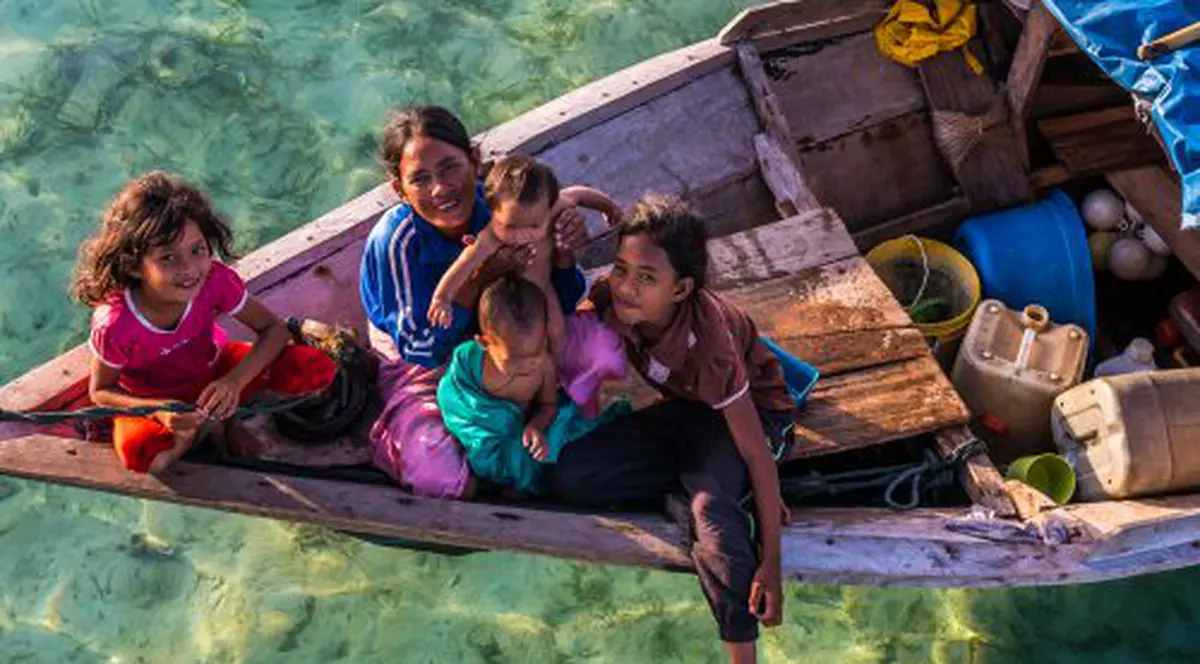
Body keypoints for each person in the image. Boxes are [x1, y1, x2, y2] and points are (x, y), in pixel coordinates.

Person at [549, 195, 795, 664]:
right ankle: (708, 478)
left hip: (757, 420)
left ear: (681, 290)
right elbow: (559, 321)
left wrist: (773, 564)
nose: (625, 287)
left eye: (646, 278)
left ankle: (742, 654)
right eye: (620, 269)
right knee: (571, 476)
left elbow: (757, 453)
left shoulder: (711, 348)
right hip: (688, 412)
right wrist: (565, 228)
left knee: (714, 517)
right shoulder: (613, 300)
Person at [358, 105, 599, 499]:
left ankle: (522, 436)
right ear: (399, 190)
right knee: (434, 472)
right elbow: (422, 350)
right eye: (420, 179)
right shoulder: (397, 242)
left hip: (509, 335)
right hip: (424, 362)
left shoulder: (505, 203)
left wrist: (563, 253)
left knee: (599, 358)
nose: (440, 189)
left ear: (475, 160)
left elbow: (565, 299)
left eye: (451, 167)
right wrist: (480, 277)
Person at [77, 172, 337, 474]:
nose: (188, 268)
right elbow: (102, 391)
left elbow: (274, 329)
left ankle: (224, 418)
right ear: (134, 266)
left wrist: (233, 382)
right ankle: (204, 430)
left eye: (197, 250)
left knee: (318, 370)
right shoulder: (115, 324)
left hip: (215, 370)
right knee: (147, 458)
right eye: (167, 258)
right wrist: (159, 411)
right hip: (153, 399)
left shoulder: (216, 281)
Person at [436, 276, 628, 494]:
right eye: (513, 360)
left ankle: (514, 482)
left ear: (545, 334)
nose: (527, 365)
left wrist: (536, 426)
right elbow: (453, 397)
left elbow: (548, 405)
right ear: (484, 343)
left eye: (535, 354)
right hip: (483, 431)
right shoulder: (468, 360)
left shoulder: (544, 365)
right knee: (472, 448)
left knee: (548, 447)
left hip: (522, 428)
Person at [428, 155, 620, 363]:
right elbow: (464, 265)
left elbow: (580, 194)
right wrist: (442, 297)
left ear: (548, 208)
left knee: (557, 331)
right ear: (492, 211)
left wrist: (609, 208)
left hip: (543, 288)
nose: (522, 235)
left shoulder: (553, 206)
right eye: (510, 226)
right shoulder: (489, 237)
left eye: (534, 226)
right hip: (509, 299)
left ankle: (556, 371)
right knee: (512, 342)